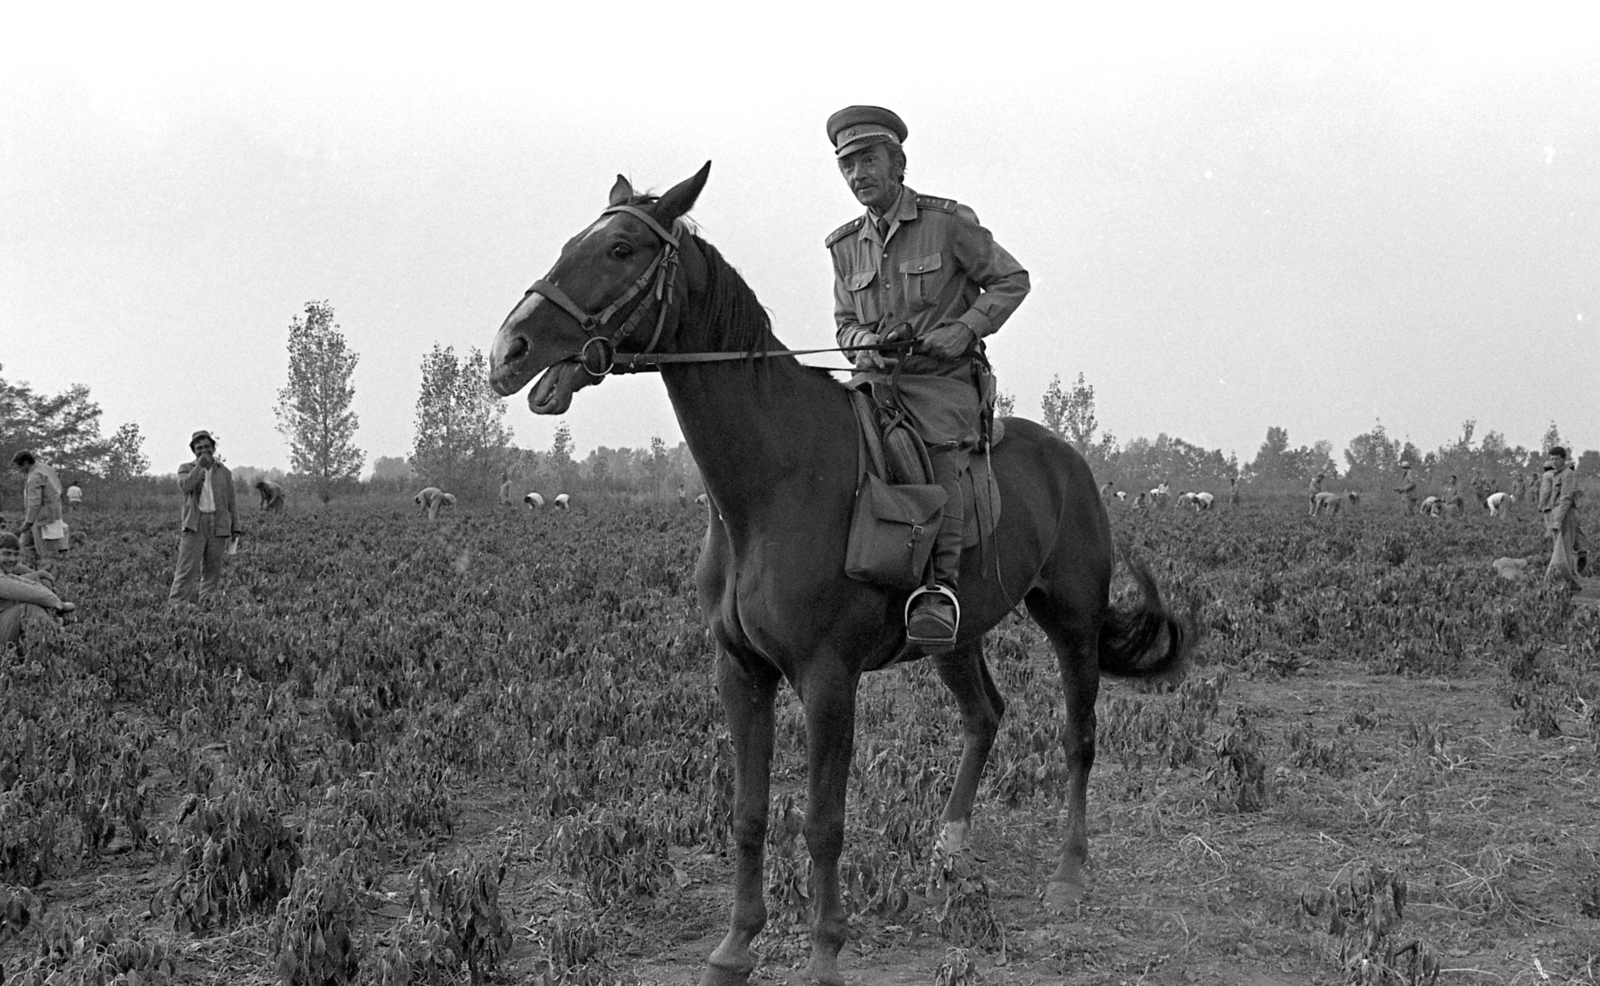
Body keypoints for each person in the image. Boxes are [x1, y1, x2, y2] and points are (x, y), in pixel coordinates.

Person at [825, 105, 1030, 647]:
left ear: (898, 164)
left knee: (937, 455)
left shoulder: (947, 222)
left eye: (868, 161)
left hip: (942, 383)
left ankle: (939, 593)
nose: (858, 175)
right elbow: (845, 324)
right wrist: (861, 342)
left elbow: (1012, 280)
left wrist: (964, 329)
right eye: (847, 166)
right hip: (875, 382)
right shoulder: (843, 246)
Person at [169, 430, 239, 606]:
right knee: (187, 570)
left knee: (212, 571)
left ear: (213, 448)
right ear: (194, 451)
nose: (203, 450)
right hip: (195, 524)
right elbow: (186, 487)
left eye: (207, 446)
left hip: (219, 524)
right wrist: (200, 466)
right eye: (199, 448)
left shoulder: (224, 472)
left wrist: (235, 527)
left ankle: (207, 607)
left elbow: (231, 501)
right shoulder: (185, 469)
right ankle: (176, 608)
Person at [1, 532, 75, 653]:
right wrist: (60, 605)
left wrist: (39, 576)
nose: (12, 559)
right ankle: (54, 643)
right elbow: (28, 592)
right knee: (25, 609)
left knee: (40, 587)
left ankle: (50, 636)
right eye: (7, 554)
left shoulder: (5, 574)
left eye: (16, 555)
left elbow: (28, 584)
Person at [11, 450, 65, 570]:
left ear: (25, 463)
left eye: (19, 467)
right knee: (25, 546)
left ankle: (48, 577)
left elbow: (35, 503)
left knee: (46, 552)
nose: (19, 470)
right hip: (52, 514)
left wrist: (28, 523)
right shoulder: (46, 468)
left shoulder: (34, 476)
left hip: (42, 519)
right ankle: (31, 571)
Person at [1538, 447, 1582, 589]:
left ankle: (1568, 582)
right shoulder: (1555, 474)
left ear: (1563, 459)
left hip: (1565, 513)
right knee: (1559, 548)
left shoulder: (1567, 474)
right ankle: (1565, 580)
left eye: (1557, 459)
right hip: (1557, 512)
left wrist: (1557, 520)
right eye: (1552, 459)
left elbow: (1566, 499)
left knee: (1565, 548)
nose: (1554, 462)